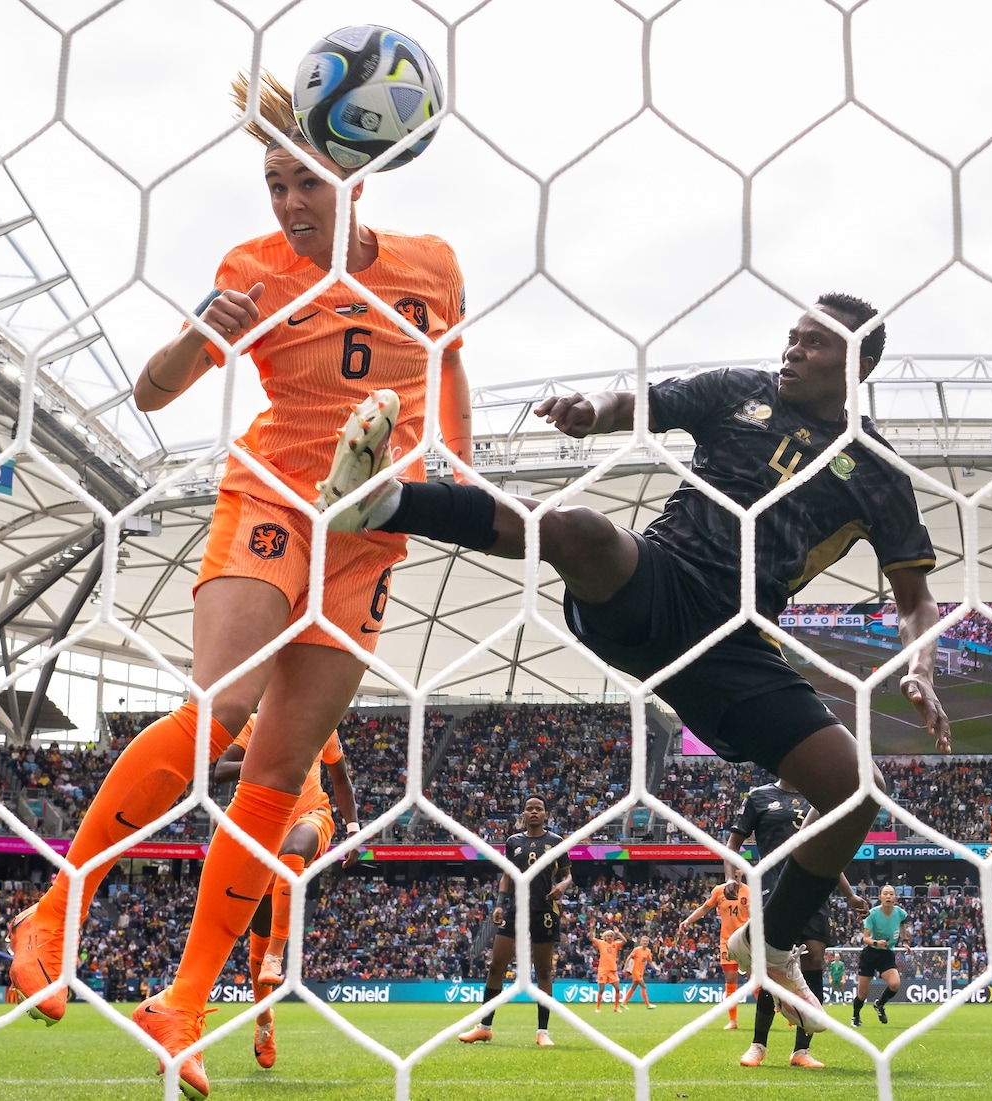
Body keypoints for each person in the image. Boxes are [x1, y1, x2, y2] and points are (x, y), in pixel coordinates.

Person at [5, 72, 473, 1100]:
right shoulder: (251, 268)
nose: (287, 206)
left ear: (357, 178)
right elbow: (155, 390)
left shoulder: (432, 267)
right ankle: (54, 911)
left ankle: (184, 1002)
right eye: (273, 187)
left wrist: (458, 472)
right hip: (267, 500)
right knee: (217, 710)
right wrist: (201, 327)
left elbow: (446, 376)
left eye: (303, 185)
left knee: (275, 775)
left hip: (367, 531)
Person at [321, 293, 950, 1042]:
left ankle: (769, 941)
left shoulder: (876, 471)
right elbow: (641, 402)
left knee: (856, 792)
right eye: (791, 336)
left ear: (859, 364)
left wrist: (922, 667)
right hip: (656, 583)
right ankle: (385, 501)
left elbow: (915, 597)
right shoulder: (738, 391)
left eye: (813, 344)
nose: (792, 350)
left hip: (739, 644)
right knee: (580, 529)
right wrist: (593, 410)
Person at [211, 721, 360, 1070]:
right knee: (257, 935)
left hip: (312, 816)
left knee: (292, 854)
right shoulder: (255, 724)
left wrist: (353, 829)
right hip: (263, 829)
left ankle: (277, 955)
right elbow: (220, 771)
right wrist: (266, 763)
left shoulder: (323, 722)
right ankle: (264, 1022)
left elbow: (341, 780)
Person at [727, 777, 869, 1069]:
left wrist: (851, 895)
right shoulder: (759, 796)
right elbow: (734, 843)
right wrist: (731, 876)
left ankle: (801, 1050)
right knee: (775, 964)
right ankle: (758, 1045)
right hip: (773, 891)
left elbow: (828, 854)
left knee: (814, 959)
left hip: (813, 888)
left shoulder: (818, 796)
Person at [457, 798, 570, 1047]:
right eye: (529, 808)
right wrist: (499, 903)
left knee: (542, 970)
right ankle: (484, 1027)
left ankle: (543, 1032)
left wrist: (563, 885)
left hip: (544, 910)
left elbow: (567, 875)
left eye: (538, 809)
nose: (533, 812)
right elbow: (507, 875)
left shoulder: (557, 843)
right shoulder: (512, 842)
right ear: (523, 814)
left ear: (545, 814)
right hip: (514, 909)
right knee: (496, 964)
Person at [679, 878, 751, 1028]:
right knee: (730, 979)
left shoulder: (749, 891)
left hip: (745, 940)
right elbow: (705, 908)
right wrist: (688, 920)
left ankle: (769, 1013)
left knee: (755, 979)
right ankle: (733, 1021)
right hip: (727, 941)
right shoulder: (719, 890)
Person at [853, 885, 906, 1026]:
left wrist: (905, 941)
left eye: (891, 894)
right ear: (880, 897)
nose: (888, 896)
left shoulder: (900, 913)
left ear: (895, 897)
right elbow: (865, 938)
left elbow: (902, 925)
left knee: (895, 984)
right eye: (885, 894)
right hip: (870, 954)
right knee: (862, 994)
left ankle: (879, 1005)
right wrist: (876, 942)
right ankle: (856, 1016)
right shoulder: (872, 914)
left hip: (886, 954)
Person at [593, 928, 625, 1013]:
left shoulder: (615, 944)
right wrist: (592, 928)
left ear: (613, 937)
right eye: (608, 936)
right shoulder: (601, 943)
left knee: (617, 989)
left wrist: (618, 933)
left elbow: (625, 941)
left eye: (611, 936)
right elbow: (590, 938)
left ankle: (616, 1008)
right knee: (601, 989)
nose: (609, 937)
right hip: (603, 970)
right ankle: (598, 1007)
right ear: (605, 937)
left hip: (612, 970)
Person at [626, 936, 655, 1010]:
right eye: (643, 941)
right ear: (641, 942)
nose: (645, 942)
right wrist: (625, 967)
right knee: (643, 986)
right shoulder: (637, 950)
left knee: (633, 987)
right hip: (635, 971)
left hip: (641, 971)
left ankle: (623, 1003)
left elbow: (650, 961)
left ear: (648, 943)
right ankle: (648, 1004)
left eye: (646, 941)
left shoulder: (648, 951)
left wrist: (656, 968)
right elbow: (629, 957)